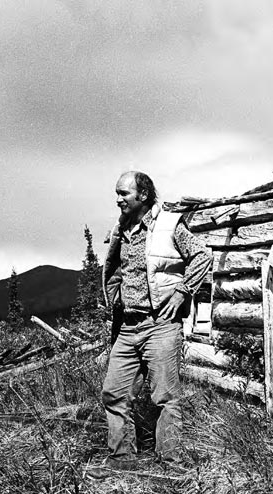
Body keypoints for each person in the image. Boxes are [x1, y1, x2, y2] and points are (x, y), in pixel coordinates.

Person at [99, 171, 212, 471]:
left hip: (160, 324)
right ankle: (122, 458)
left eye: (124, 193)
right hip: (127, 327)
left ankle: (170, 464)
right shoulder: (121, 229)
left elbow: (202, 255)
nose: (118, 198)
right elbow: (117, 273)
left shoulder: (169, 225)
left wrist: (183, 290)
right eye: (117, 192)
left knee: (165, 396)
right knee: (114, 392)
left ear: (143, 195)